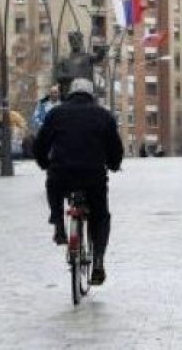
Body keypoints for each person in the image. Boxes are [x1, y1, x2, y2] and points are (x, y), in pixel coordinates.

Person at [33, 78, 123, 286]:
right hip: (93, 175)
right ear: (91, 95)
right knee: (100, 215)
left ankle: (58, 224)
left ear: (70, 94)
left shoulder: (55, 114)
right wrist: (114, 165)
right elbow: (115, 149)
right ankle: (98, 260)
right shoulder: (104, 115)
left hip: (62, 173)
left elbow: (40, 146)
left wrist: (46, 164)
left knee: (53, 185)